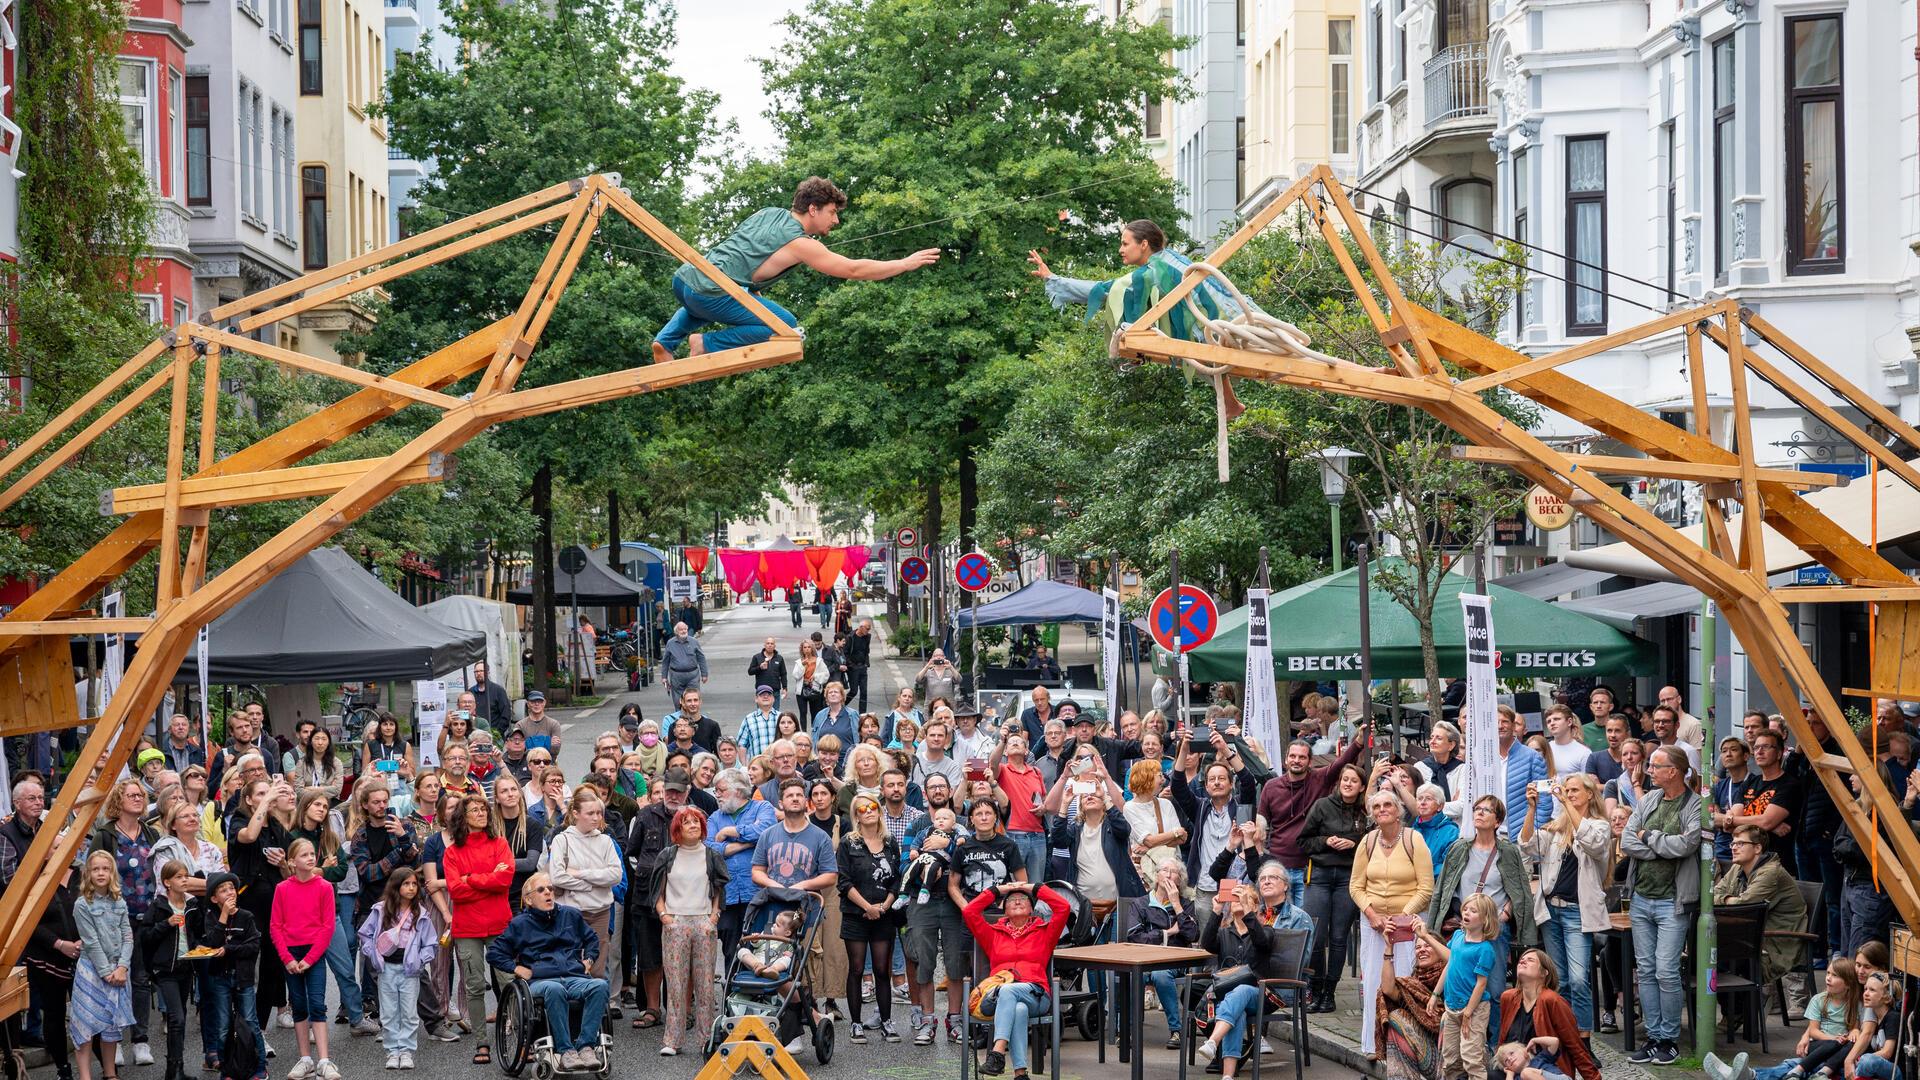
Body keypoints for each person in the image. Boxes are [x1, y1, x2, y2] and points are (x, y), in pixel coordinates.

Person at [652, 177, 938, 360]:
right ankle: (705, 344)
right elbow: (852, 270)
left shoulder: (768, 213)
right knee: (786, 326)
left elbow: (744, 255)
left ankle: (665, 342)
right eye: (832, 212)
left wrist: (753, 291)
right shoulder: (801, 243)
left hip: (685, 281)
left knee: (717, 294)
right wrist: (903, 263)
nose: (835, 221)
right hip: (710, 292)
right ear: (813, 209)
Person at [1620, 744, 1701, 1066]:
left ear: (1674, 771)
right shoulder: (1650, 800)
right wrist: (1660, 846)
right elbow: (1627, 839)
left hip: (1673, 901)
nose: (1649, 771)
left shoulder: (1694, 805)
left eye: (1655, 766)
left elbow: (1687, 844)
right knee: (1647, 970)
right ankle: (1653, 1037)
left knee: (1667, 970)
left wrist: (1648, 837)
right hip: (1641, 897)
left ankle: (1669, 1039)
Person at [1425, 794, 1536, 1029]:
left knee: (1494, 988)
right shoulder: (1459, 848)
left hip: (1494, 928)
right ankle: (1463, 1038)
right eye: (1477, 809)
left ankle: (1495, 1044)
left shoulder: (1507, 852)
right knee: (1460, 982)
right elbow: (1444, 889)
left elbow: (1518, 891)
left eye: (1486, 810)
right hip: (1464, 929)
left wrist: (1504, 915)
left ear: (1497, 821)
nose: (1479, 813)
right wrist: (1436, 925)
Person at [486, 874, 610, 1073]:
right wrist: (516, 968)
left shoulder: (571, 915)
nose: (548, 893)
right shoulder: (520, 924)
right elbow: (494, 953)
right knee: (554, 989)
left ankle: (586, 1046)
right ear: (528, 899)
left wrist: (589, 959)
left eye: (551, 889)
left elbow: (592, 939)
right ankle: (566, 1050)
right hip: (541, 979)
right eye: (541, 890)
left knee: (600, 985)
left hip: (573, 975)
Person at [1517, 773, 1609, 1039]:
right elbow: (1527, 845)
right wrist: (1531, 809)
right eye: (1566, 791)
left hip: (1577, 912)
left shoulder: (1599, 825)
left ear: (1590, 794)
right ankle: (1565, 1036)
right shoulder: (1557, 828)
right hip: (1551, 910)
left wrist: (1564, 804)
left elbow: (1592, 842)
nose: (1568, 795)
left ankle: (1585, 1041)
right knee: (1561, 980)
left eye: (1574, 791)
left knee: (1580, 979)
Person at [1350, 788, 1435, 1055]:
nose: (1382, 810)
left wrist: (1402, 917)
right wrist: (1373, 916)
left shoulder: (1414, 839)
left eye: (1388, 805)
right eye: (1377, 807)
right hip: (1374, 923)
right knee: (1374, 980)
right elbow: (1355, 886)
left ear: (1398, 811)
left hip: (1408, 923)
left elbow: (1426, 888)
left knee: (1405, 981)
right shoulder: (1368, 841)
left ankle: (1405, 1044)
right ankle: (1372, 1043)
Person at [964, 882, 1071, 1078]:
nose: (1018, 900)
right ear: (1003, 910)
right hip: (998, 998)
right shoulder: (993, 934)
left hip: (1036, 994)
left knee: (1008, 990)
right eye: (1011, 899)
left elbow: (1063, 907)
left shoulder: (1045, 932)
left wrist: (1035, 887)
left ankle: (997, 1052)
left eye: (1023, 899)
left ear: (1032, 909)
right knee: (1017, 1009)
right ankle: (1020, 1074)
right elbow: (970, 911)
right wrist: (998, 890)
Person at [86, 780, 157, 1066]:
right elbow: (92, 873)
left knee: (140, 979)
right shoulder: (105, 835)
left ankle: (140, 1041)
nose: (138, 799)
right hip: (114, 920)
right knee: (114, 981)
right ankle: (112, 1041)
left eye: (140, 795)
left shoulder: (150, 832)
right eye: (131, 795)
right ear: (119, 800)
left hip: (146, 916)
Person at [648, 807, 726, 1057]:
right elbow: (657, 890)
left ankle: (707, 1040)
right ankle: (673, 1039)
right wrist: (665, 916)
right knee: (676, 984)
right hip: (675, 922)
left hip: (703, 922)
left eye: (696, 822)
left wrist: (713, 918)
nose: (693, 825)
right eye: (687, 822)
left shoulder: (711, 855)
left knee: (705, 985)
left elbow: (718, 890)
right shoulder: (668, 855)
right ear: (677, 829)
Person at [443, 793, 513, 1066]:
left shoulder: (499, 843)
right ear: (464, 817)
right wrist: (488, 881)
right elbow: (455, 891)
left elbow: (505, 879)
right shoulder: (452, 852)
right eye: (474, 810)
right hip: (468, 927)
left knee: (508, 982)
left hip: (498, 923)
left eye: (484, 810)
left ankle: (515, 1034)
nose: (481, 814)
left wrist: (470, 878)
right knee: (473, 987)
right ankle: (482, 1042)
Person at [1297, 762, 1368, 1012]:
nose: (1348, 784)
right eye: (1345, 779)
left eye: (1354, 781)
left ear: (1361, 787)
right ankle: (1315, 988)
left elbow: (1370, 841)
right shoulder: (1322, 806)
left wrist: (1353, 844)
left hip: (1349, 877)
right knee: (1316, 935)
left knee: (1339, 937)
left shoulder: (1364, 811)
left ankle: (1330, 992)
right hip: (1319, 874)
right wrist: (1326, 840)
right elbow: (1303, 841)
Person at [1192, 882, 1281, 1078]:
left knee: (1241, 990)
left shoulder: (1265, 931)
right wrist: (1216, 912)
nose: (1239, 901)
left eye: (1245, 897)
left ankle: (1213, 1042)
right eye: (1236, 899)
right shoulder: (1225, 933)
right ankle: (1228, 1075)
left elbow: (1262, 943)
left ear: (1255, 906)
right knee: (1236, 1013)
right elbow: (1206, 944)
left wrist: (1249, 913)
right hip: (1231, 999)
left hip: (1259, 995)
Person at [1714, 825, 1808, 1009]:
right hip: (1753, 934)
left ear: (1757, 848)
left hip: (1778, 942)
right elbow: (1712, 894)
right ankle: (1735, 1012)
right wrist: (1729, 899)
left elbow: (1745, 906)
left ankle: (1738, 1013)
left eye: (1740, 843)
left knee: (1720, 956)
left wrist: (1728, 900)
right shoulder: (1737, 868)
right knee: (1706, 954)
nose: (1733, 847)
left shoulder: (1771, 872)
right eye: (1733, 842)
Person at [269, 839, 338, 1080]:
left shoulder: (324, 887)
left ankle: (325, 1061)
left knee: (317, 1003)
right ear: (292, 862)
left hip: (314, 953)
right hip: (291, 953)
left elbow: (327, 927)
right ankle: (305, 1059)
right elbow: (275, 926)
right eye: (304, 855)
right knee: (298, 1005)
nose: (310, 858)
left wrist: (310, 958)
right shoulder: (282, 889)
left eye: (312, 854)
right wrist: (287, 958)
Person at [837, 795, 902, 1045]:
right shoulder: (848, 843)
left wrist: (884, 906)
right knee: (856, 969)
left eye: (873, 806)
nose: (868, 811)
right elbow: (843, 881)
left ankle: (886, 1021)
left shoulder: (889, 841)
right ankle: (856, 1023)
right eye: (862, 808)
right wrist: (867, 907)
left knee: (882, 970)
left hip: (884, 914)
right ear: (856, 815)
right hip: (856, 914)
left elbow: (897, 878)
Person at [185, 874, 262, 1080]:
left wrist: (228, 949)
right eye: (223, 890)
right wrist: (223, 916)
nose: (229, 892)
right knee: (222, 1025)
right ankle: (226, 1070)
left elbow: (254, 946)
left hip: (243, 978)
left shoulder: (246, 917)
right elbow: (212, 942)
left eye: (231, 888)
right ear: (214, 898)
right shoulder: (211, 918)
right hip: (220, 978)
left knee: (251, 1022)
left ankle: (260, 1067)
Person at [357, 868, 436, 1070]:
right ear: (396, 886)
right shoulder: (380, 910)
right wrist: (373, 954)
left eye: (414, 884)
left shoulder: (421, 913)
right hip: (387, 969)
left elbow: (431, 943)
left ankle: (406, 1051)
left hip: (410, 970)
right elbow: (365, 934)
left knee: (409, 1013)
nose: (411, 888)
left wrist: (420, 959)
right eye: (406, 884)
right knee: (389, 1012)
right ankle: (392, 1051)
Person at [72, 850, 136, 1080]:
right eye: (96, 869)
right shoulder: (82, 904)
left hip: (118, 970)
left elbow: (128, 935)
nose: (101, 873)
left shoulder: (119, 901)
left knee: (111, 1027)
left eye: (105, 869)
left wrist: (123, 967)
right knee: (86, 1026)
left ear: (112, 873)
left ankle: (110, 1074)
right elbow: (91, 941)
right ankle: (85, 1076)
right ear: (88, 873)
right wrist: (107, 973)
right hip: (93, 971)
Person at [547, 791, 621, 984]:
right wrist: (594, 884)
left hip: (600, 913)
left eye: (599, 813)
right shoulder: (562, 840)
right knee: (570, 965)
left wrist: (581, 874)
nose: (596, 818)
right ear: (576, 813)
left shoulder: (605, 841)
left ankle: (594, 1011)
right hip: (571, 913)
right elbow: (558, 877)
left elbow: (615, 875)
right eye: (590, 813)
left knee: (597, 969)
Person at [1493, 948, 1600, 1080]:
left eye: (1530, 960)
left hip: (1546, 1068)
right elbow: (1502, 1042)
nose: (1523, 961)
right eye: (1521, 960)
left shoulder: (1552, 1000)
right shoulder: (1508, 997)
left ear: (1544, 973)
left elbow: (1576, 1046)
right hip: (1516, 1070)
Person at [1422, 894, 1498, 1080]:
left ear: (1485, 919)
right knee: (1450, 1058)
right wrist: (1434, 995)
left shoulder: (1485, 949)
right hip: (1452, 1007)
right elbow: (1450, 966)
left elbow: (1481, 984)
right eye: (1465, 909)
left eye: (1473, 911)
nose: (1466, 913)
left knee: (1471, 1058)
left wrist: (1468, 1013)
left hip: (1474, 1009)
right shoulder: (1457, 936)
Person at [1129, 861, 1201, 1049]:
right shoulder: (1141, 904)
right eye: (1164, 870)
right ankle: (1126, 1031)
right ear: (1156, 875)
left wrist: (1176, 904)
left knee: (1161, 975)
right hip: (1143, 960)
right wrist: (1166, 933)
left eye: (1174, 872)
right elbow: (1134, 937)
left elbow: (1192, 935)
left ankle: (1176, 1030)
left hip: (1174, 961)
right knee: (1130, 974)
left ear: (1180, 880)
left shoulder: (1186, 905)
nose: (1168, 875)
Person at [706, 771, 775, 960]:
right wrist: (746, 844)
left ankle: (758, 989)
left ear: (737, 790)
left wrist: (731, 831)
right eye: (715, 790)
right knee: (730, 950)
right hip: (727, 895)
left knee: (758, 947)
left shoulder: (762, 808)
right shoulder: (714, 817)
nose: (716, 794)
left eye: (720, 790)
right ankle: (731, 988)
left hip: (756, 893)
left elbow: (765, 830)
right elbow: (710, 849)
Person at [660, 622, 709, 707]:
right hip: (676, 676)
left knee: (693, 699)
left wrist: (704, 674)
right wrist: (664, 677)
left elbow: (701, 658)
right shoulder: (670, 643)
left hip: (692, 675)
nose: (683, 631)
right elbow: (665, 661)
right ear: (676, 631)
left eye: (685, 629)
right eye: (681, 629)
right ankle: (680, 718)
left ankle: (692, 718)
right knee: (678, 701)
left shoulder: (694, 641)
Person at [812, 683, 858, 771]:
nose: (833, 694)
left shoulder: (852, 714)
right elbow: (815, 738)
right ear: (826, 697)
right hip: (825, 761)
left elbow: (858, 736)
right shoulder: (820, 715)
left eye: (836, 692)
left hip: (848, 761)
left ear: (842, 696)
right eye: (830, 692)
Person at [739, 686, 784, 760]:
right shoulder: (749, 719)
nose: (765, 696)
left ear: (773, 699)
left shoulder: (781, 717)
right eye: (762, 694)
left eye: (769, 694)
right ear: (756, 699)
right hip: (758, 766)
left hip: (778, 764)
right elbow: (742, 745)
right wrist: (744, 767)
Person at [468, 661, 511, 736]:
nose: (478, 673)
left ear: (487, 672)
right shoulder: (470, 693)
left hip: (494, 735)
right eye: (476, 671)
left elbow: (506, 715)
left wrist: (496, 734)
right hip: (474, 736)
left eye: (481, 671)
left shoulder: (498, 691)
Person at [515, 692, 562, 757]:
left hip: (548, 763)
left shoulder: (553, 724)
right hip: (526, 763)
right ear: (528, 704)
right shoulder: (520, 725)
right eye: (533, 702)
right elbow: (517, 749)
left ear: (544, 703)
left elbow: (555, 751)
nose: (536, 704)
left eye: (540, 701)